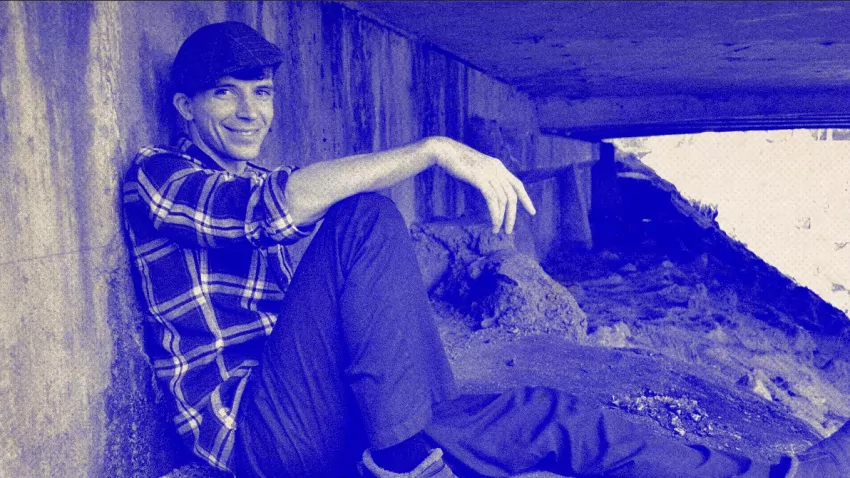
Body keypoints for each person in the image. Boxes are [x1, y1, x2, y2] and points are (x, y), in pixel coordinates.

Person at [122, 21, 850, 478]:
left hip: (332, 414)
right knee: (366, 217)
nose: (250, 111)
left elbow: (343, 295)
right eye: (225, 94)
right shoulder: (158, 177)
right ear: (186, 107)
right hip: (257, 435)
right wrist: (432, 150)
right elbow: (264, 213)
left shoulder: (261, 178)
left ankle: (774, 474)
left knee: (550, 417)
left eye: (260, 92)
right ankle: (407, 459)